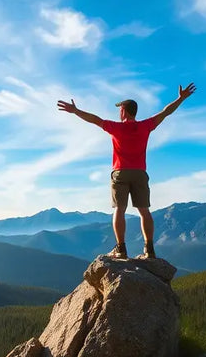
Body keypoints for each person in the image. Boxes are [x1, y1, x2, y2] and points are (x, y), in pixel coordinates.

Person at [56, 83, 196, 259]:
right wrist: (181, 99)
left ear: (124, 111)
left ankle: (121, 249)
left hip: (120, 172)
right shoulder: (146, 126)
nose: (118, 112)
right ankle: (149, 249)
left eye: (120, 108)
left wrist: (76, 111)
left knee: (119, 210)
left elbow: (94, 119)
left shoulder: (116, 127)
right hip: (139, 173)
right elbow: (166, 112)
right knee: (144, 211)